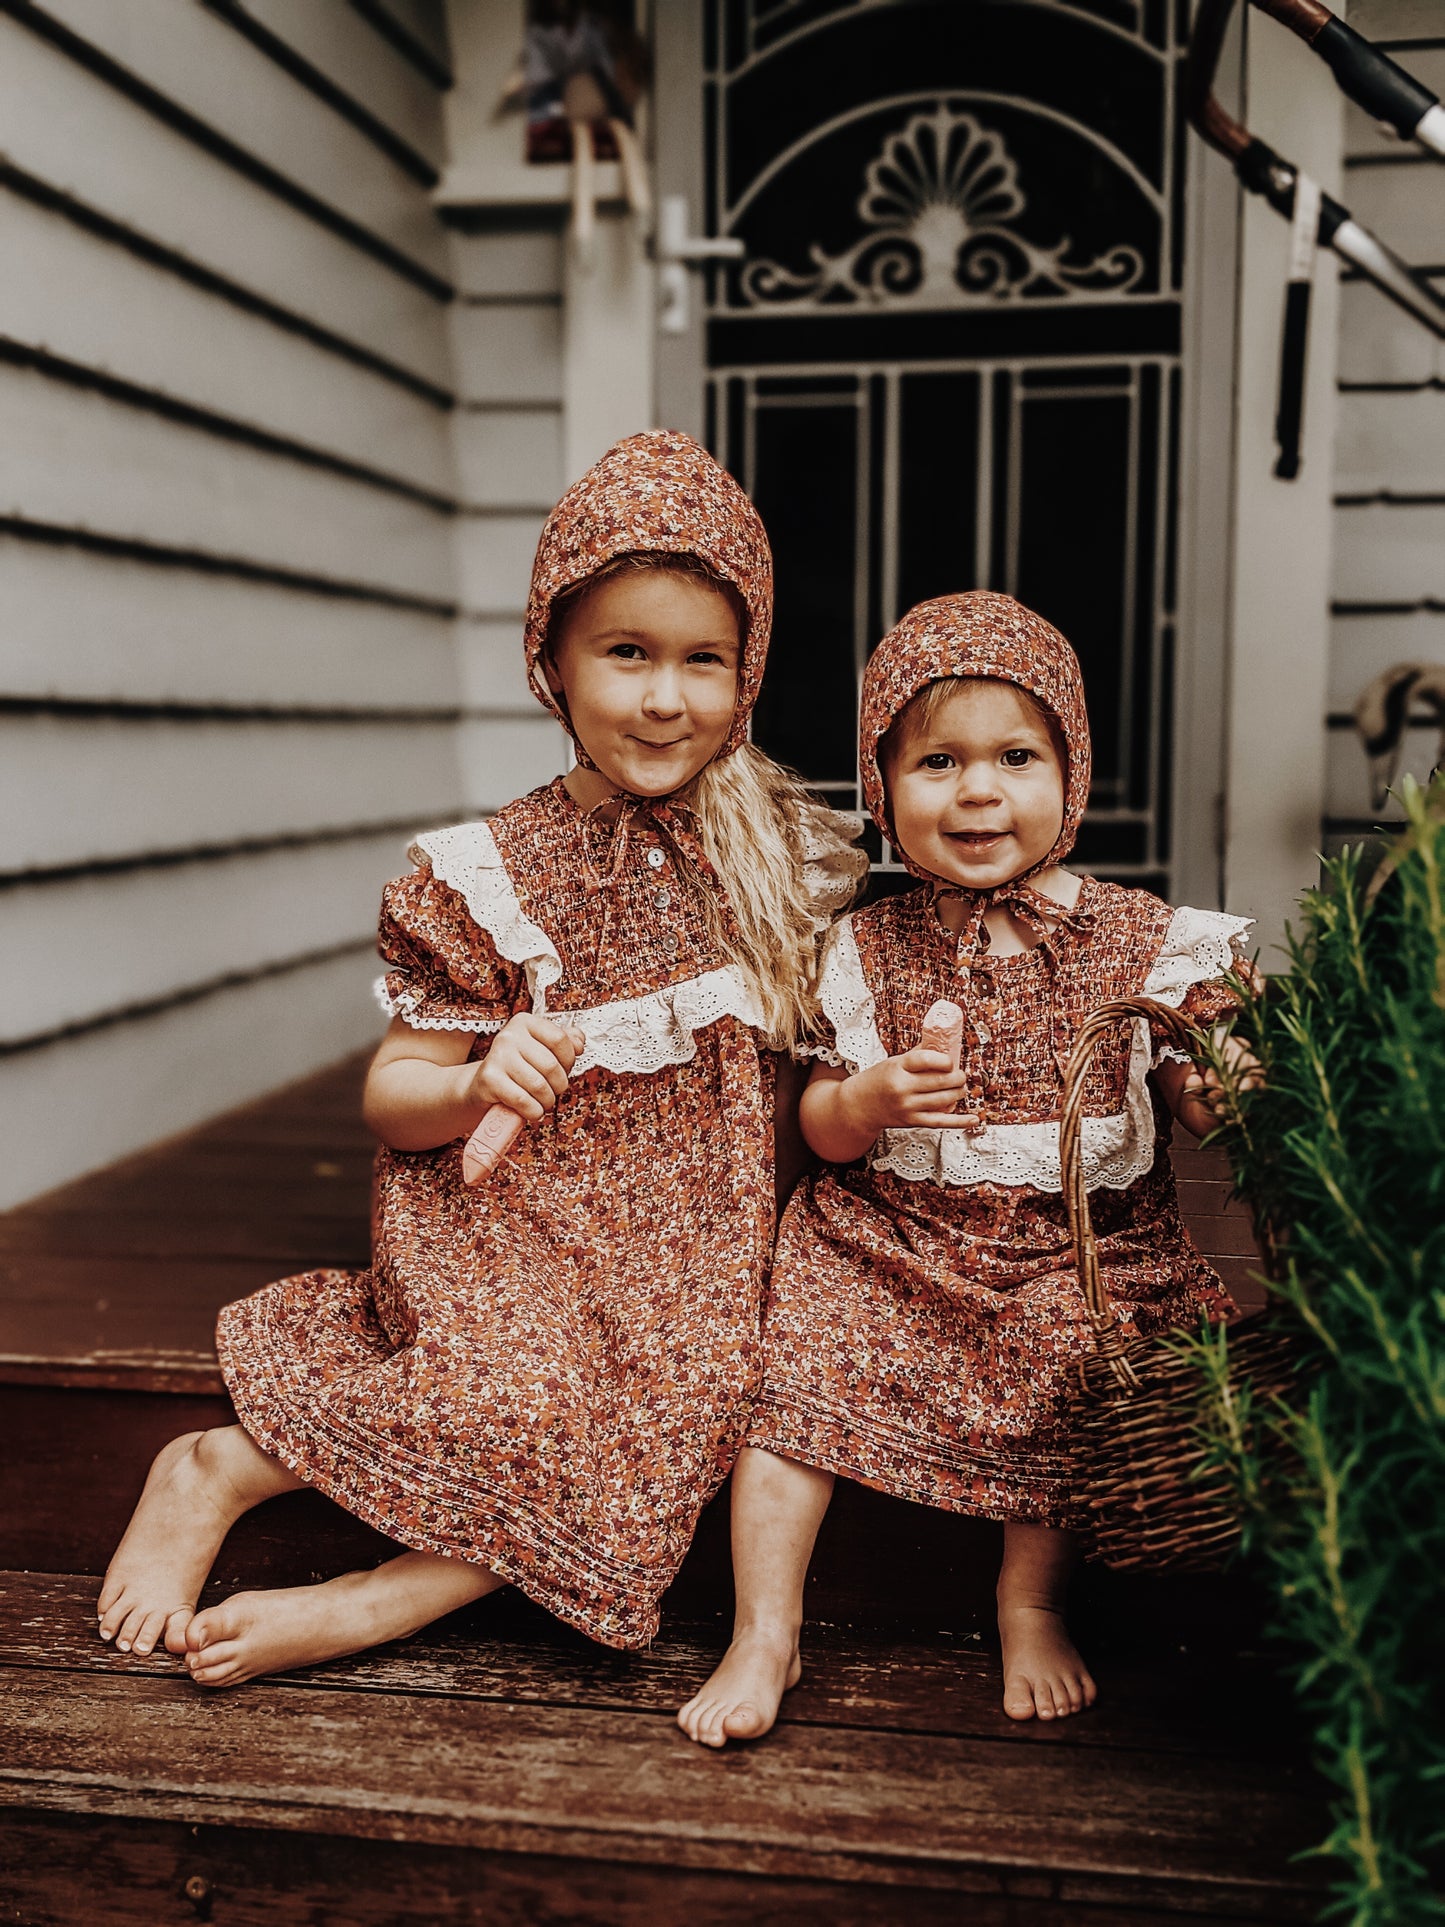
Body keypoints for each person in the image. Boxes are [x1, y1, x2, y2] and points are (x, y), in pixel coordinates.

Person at [95, 430, 864, 1685]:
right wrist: (472, 1080)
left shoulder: (776, 857)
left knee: (696, 1395)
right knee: (519, 1385)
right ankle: (216, 1468)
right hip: (511, 1221)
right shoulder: (487, 873)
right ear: (549, 661)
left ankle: (377, 1601)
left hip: (700, 1237)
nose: (664, 697)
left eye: (702, 661)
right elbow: (393, 1103)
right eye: (626, 653)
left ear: (749, 674)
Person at [678, 591, 1254, 1747]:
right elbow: (824, 1127)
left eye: (1015, 756)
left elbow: (1192, 1098)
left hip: (1077, 1250)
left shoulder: (1141, 937)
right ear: (881, 790)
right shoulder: (864, 941)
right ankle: (765, 1626)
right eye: (935, 760)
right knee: (795, 1352)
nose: (977, 789)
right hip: (897, 1239)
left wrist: (1221, 1083)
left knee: (1077, 1355)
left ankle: (1028, 1600)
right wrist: (872, 1098)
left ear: (1068, 774)